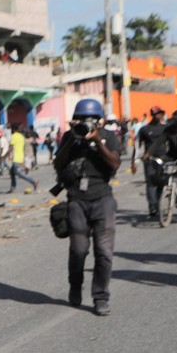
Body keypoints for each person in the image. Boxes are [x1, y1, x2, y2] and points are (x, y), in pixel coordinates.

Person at [53, 98, 123, 315]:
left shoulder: (109, 137)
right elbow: (58, 164)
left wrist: (97, 142)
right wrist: (72, 140)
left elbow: (115, 164)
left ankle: (100, 297)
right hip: (76, 200)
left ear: (99, 121)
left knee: (104, 253)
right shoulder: (69, 138)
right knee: (78, 250)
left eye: (89, 119)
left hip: (102, 199)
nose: (85, 122)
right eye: (81, 119)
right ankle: (75, 285)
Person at [138, 106, 169, 218]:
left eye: (160, 113)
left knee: (161, 181)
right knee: (150, 182)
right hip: (149, 159)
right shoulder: (144, 129)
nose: (159, 116)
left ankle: (158, 203)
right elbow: (138, 145)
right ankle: (152, 206)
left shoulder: (166, 128)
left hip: (163, 158)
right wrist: (134, 161)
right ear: (152, 115)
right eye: (156, 114)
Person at [7, 126, 38, 192]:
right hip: (21, 157)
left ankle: (33, 182)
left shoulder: (14, 136)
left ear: (14, 130)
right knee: (12, 172)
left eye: (12, 129)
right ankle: (12, 188)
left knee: (19, 173)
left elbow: (11, 147)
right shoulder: (21, 136)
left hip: (16, 158)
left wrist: (4, 156)